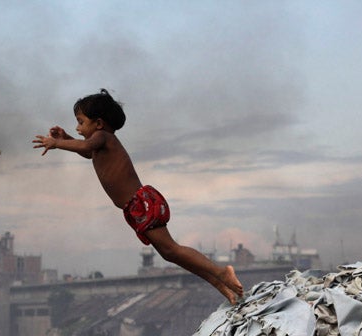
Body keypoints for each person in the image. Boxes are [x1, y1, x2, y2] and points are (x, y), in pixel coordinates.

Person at [33, 89, 244, 305]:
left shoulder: (102, 137)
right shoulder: (98, 142)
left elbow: (86, 146)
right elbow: (87, 152)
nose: (77, 128)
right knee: (169, 254)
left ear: (98, 123)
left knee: (172, 249)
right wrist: (66, 139)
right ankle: (222, 285)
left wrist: (57, 143)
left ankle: (222, 272)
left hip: (142, 204)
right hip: (135, 208)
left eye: (80, 122)